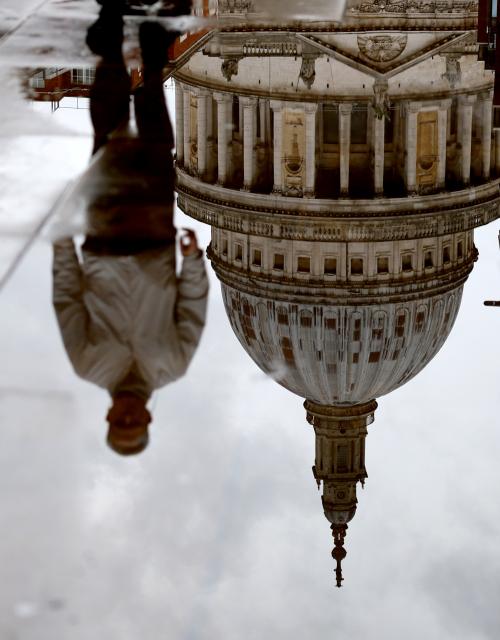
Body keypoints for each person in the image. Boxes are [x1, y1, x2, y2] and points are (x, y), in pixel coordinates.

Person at [52, 3, 208, 455]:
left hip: (104, 236)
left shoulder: (86, 365)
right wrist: (192, 260)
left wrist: (63, 244)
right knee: (159, 143)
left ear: (108, 417)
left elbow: (67, 298)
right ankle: (153, 58)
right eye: (132, 423)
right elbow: (192, 307)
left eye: (118, 422)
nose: (126, 415)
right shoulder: (174, 365)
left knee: (108, 136)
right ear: (147, 419)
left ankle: (110, 46)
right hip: (157, 238)